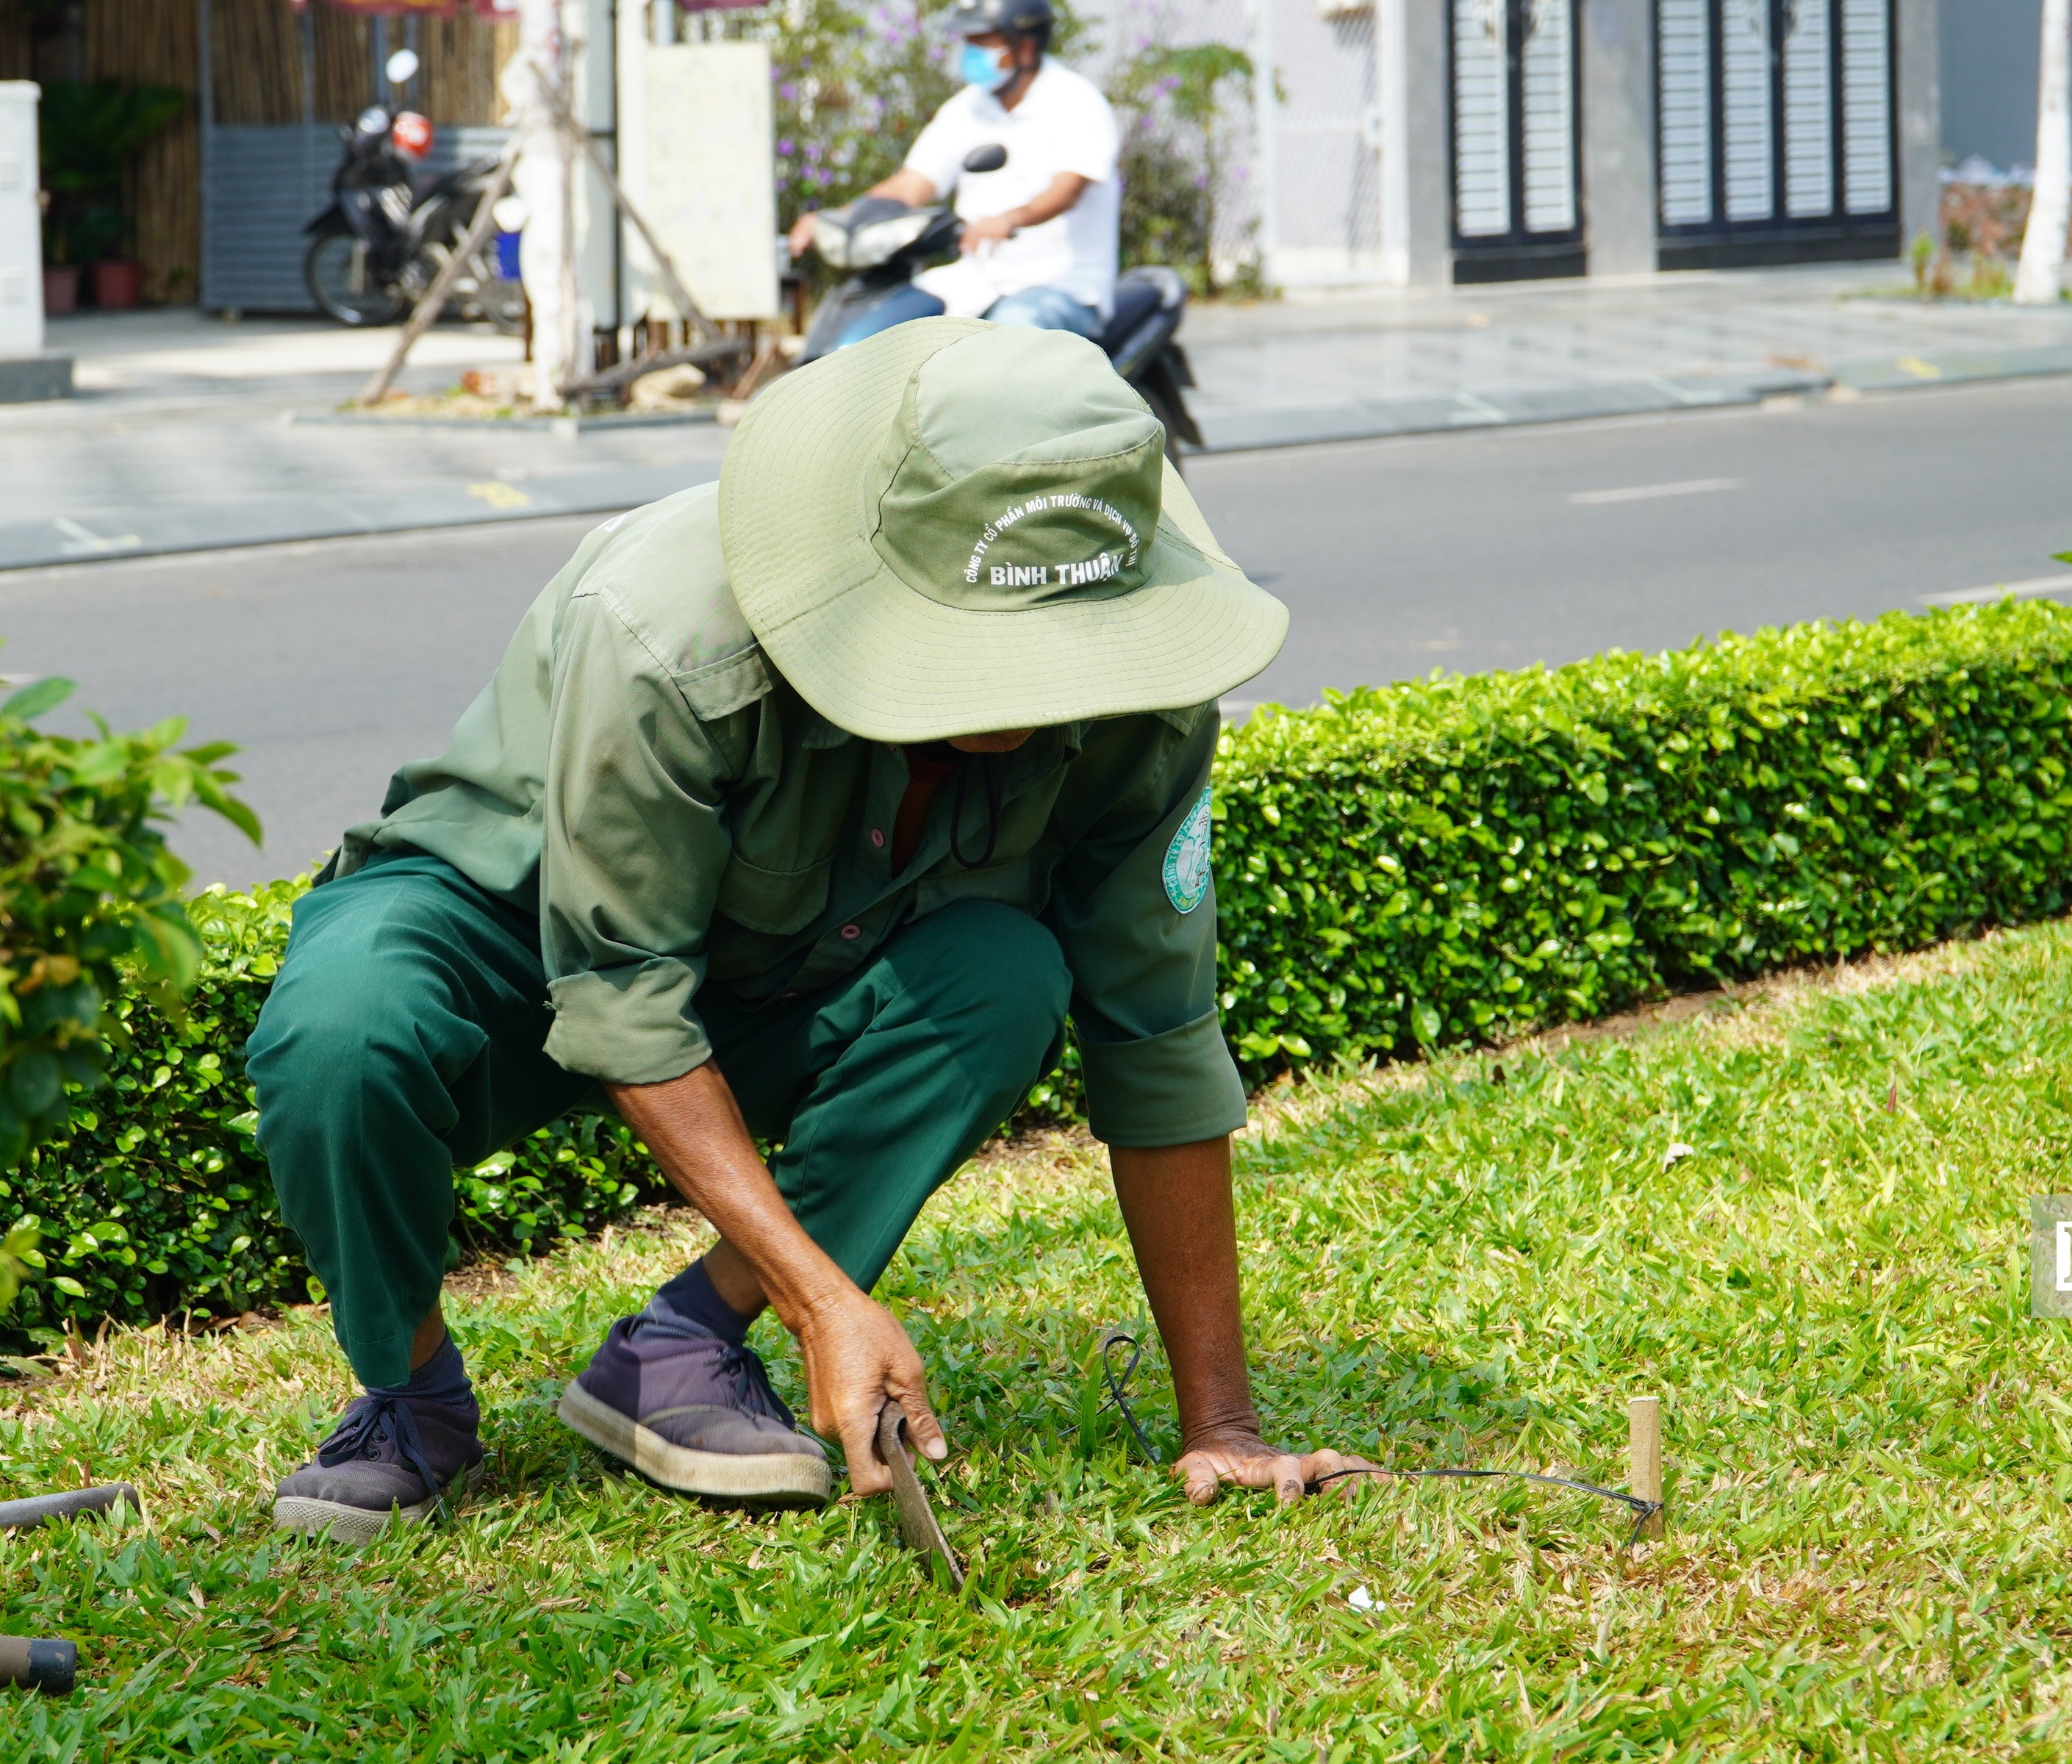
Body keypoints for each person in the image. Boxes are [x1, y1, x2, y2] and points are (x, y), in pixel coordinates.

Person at [245, 319, 1369, 1544]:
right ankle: (409, 1404)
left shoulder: (1142, 705)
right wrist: (827, 1299)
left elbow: (1155, 1031)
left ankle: (678, 1352)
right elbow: (622, 989)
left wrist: (1225, 1424)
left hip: (790, 978)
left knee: (1001, 978)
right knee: (342, 1029)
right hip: (512, 939)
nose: (1028, 693)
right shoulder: (669, 627)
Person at [786, 0, 1121, 350]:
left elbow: (1068, 190)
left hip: (1058, 285)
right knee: (877, 336)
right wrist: (842, 217)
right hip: (976, 279)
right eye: (969, 41)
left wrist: (1008, 219)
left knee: (1003, 351)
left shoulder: (1076, 101)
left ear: (1024, 46)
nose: (972, 52)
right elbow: (913, 183)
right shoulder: (967, 107)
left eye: (984, 41)